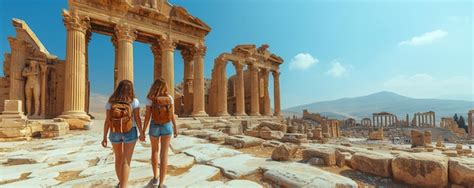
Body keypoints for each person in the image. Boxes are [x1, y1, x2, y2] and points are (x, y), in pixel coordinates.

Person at [101, 80, 144, 188]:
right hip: (130, 130)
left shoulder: (111, 102)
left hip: (114, 132)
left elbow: (107, 120)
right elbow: (137, 118)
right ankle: (123, 186)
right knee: (126, 161)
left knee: (118, 158)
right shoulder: (134, 101)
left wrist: (104, 137)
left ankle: (121, 183)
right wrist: (142, 132)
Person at [142, 78, 178, 188]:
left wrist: (143, 131)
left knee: (154, 151)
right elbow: (171, 114)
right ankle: (161, 184)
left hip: (154, 126)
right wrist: (175, 128)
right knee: (164, 154)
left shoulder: (150, 99)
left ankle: (155, 178)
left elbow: (147, 116)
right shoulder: (169, 98)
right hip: (167, 126)